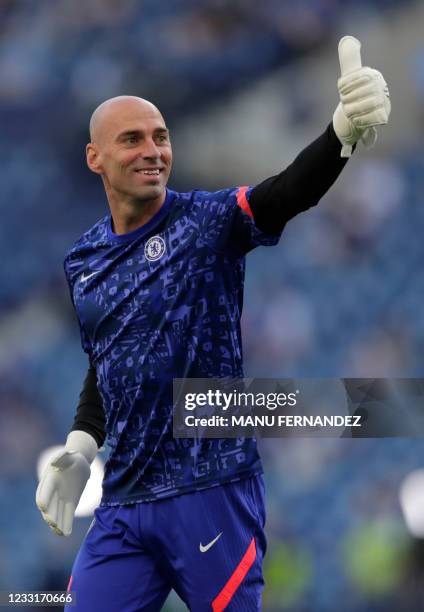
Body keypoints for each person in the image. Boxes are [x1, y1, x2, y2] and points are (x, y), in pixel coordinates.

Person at [36, 37, 390, 611]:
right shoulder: (83, 261)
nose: (153, 150)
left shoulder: (204, 221)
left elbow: (283, 195)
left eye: (161, 136)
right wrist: (79, 449)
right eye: (132, 139)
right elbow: (108, 364)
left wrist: (339, 137)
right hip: (125, 502)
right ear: (94, 157)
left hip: (211, 492)